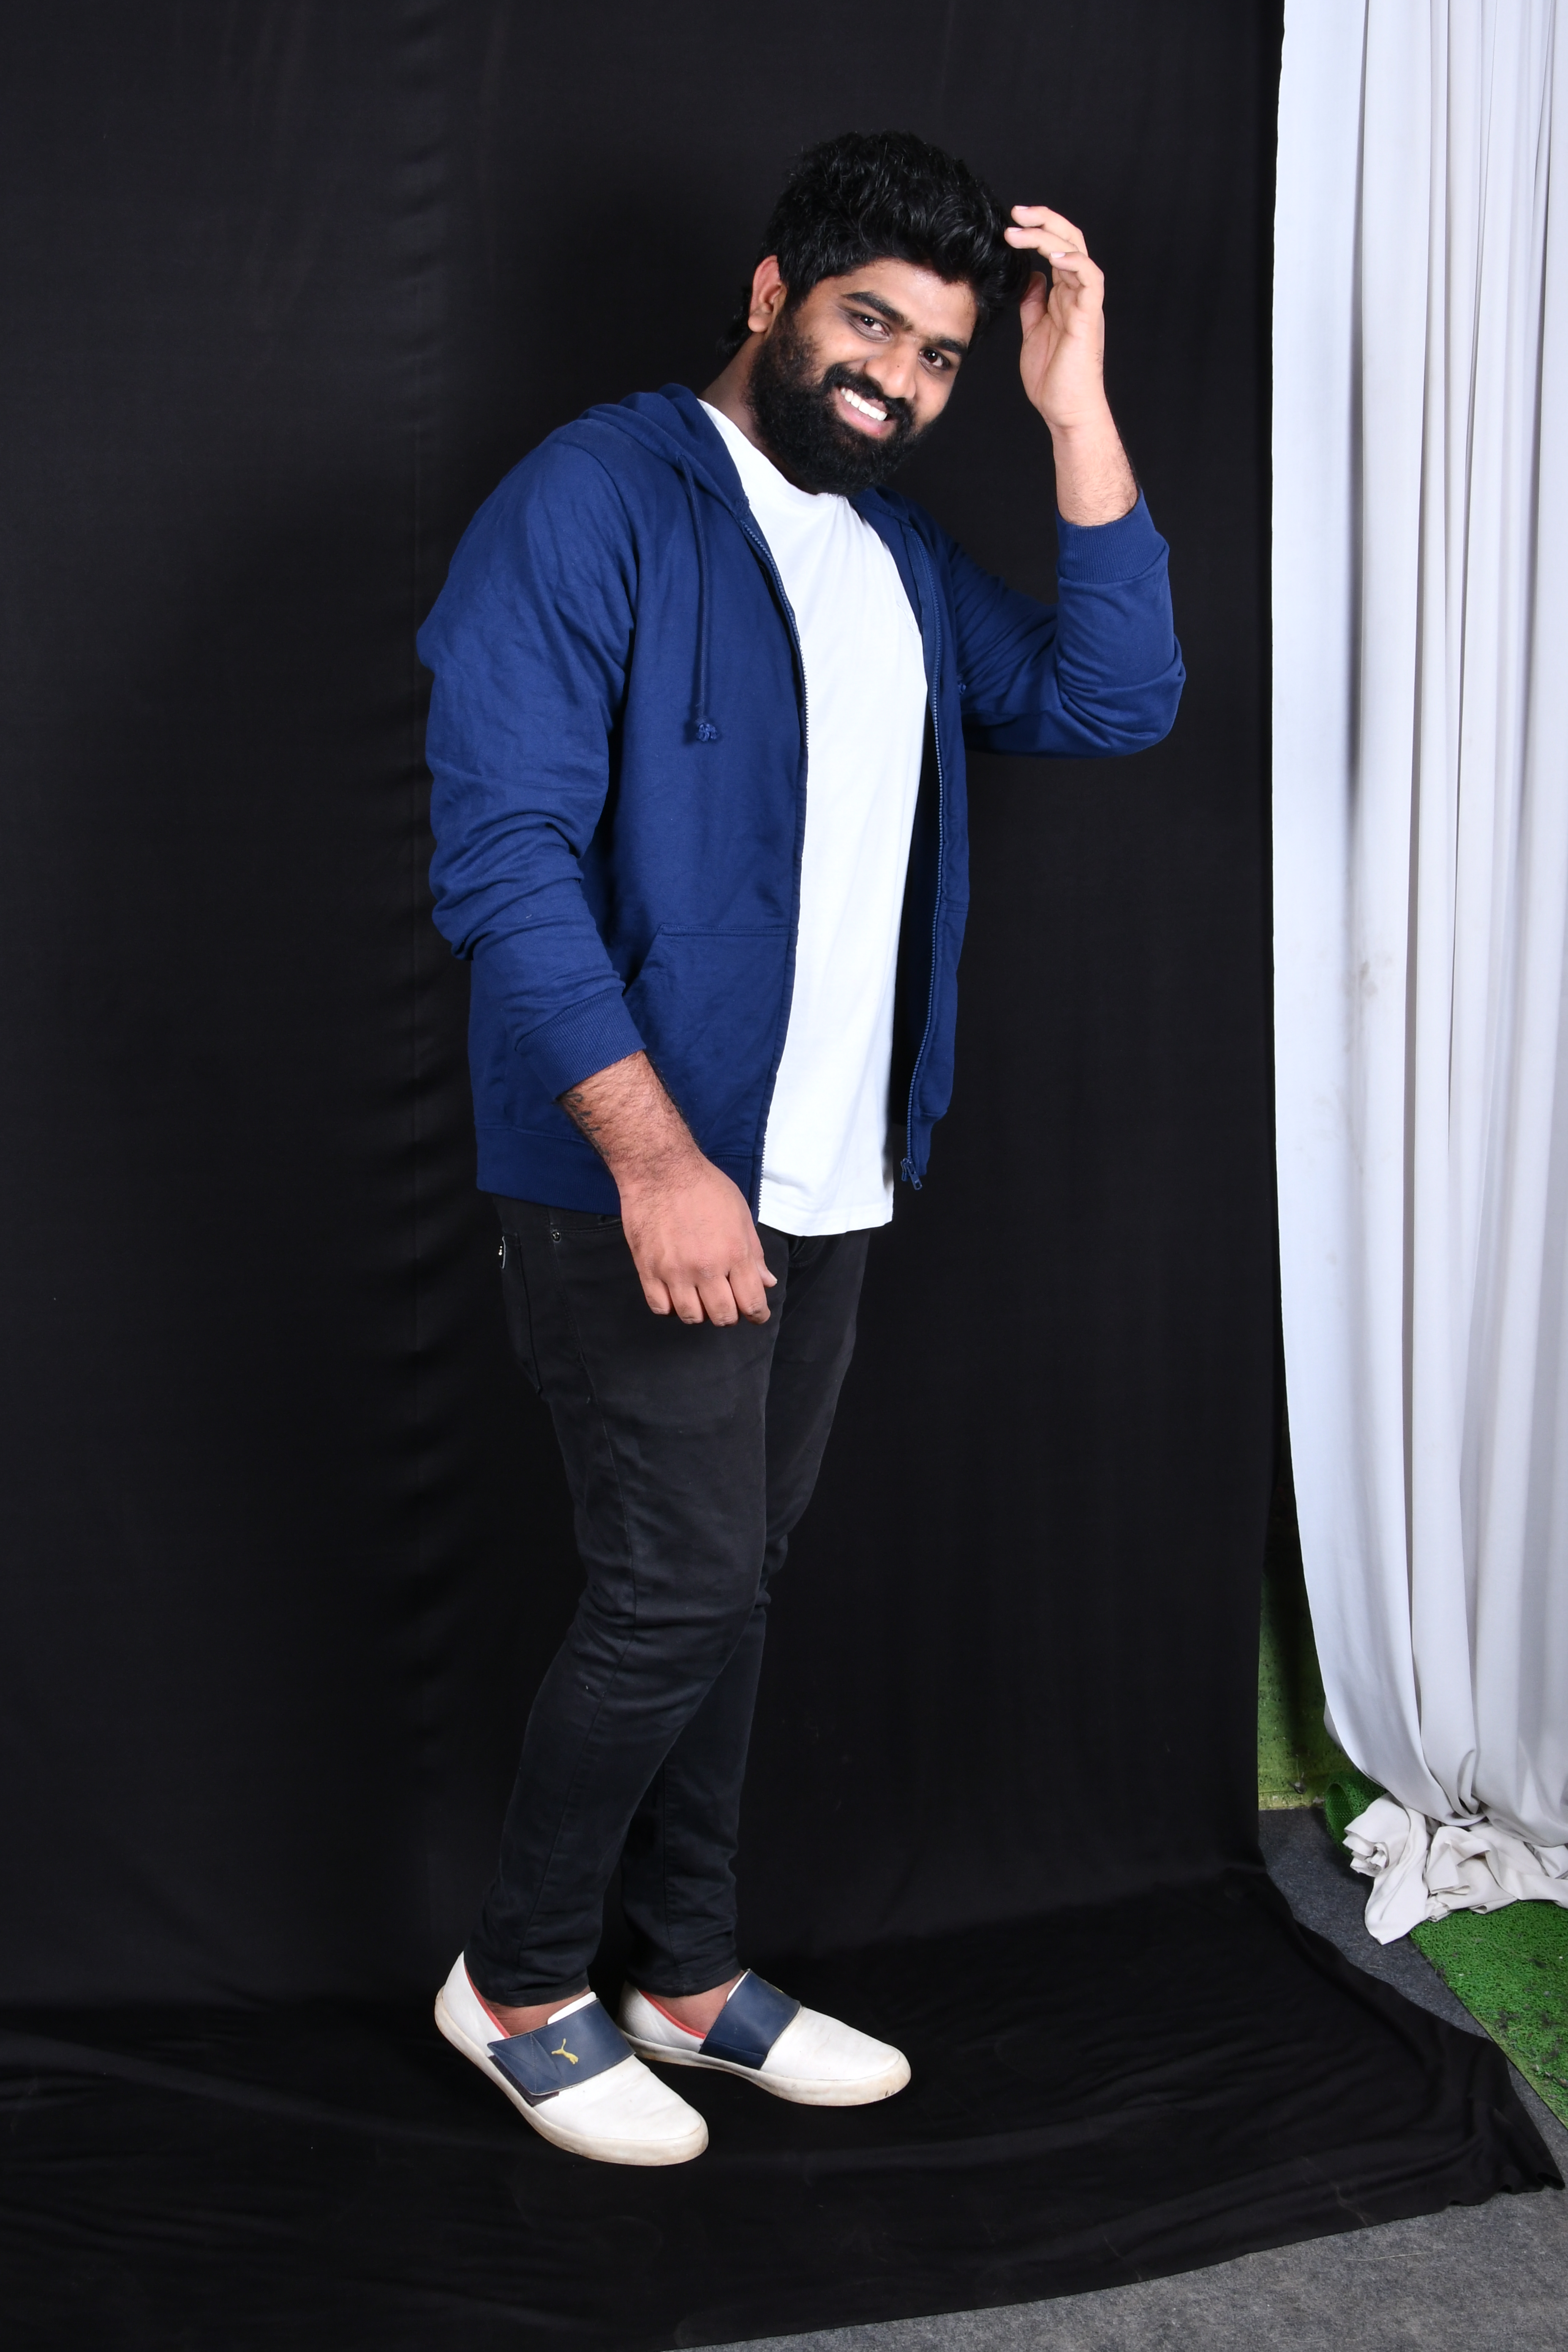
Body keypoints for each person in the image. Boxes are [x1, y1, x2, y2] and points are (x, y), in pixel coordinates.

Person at [417, 129, 1183, 2166]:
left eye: (939, 358)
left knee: (731, 1587)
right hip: (636, 1177)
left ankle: (682, 1977)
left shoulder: (894, 559)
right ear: (772, 295)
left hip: (833, 1176)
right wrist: (656, 1162)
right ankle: (517, 1985)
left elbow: (1114, 699)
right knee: (675, 1589)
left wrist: (1071, 406)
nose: (898, 383)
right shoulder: (593, 498)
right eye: (871, 326)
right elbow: (500, 855)